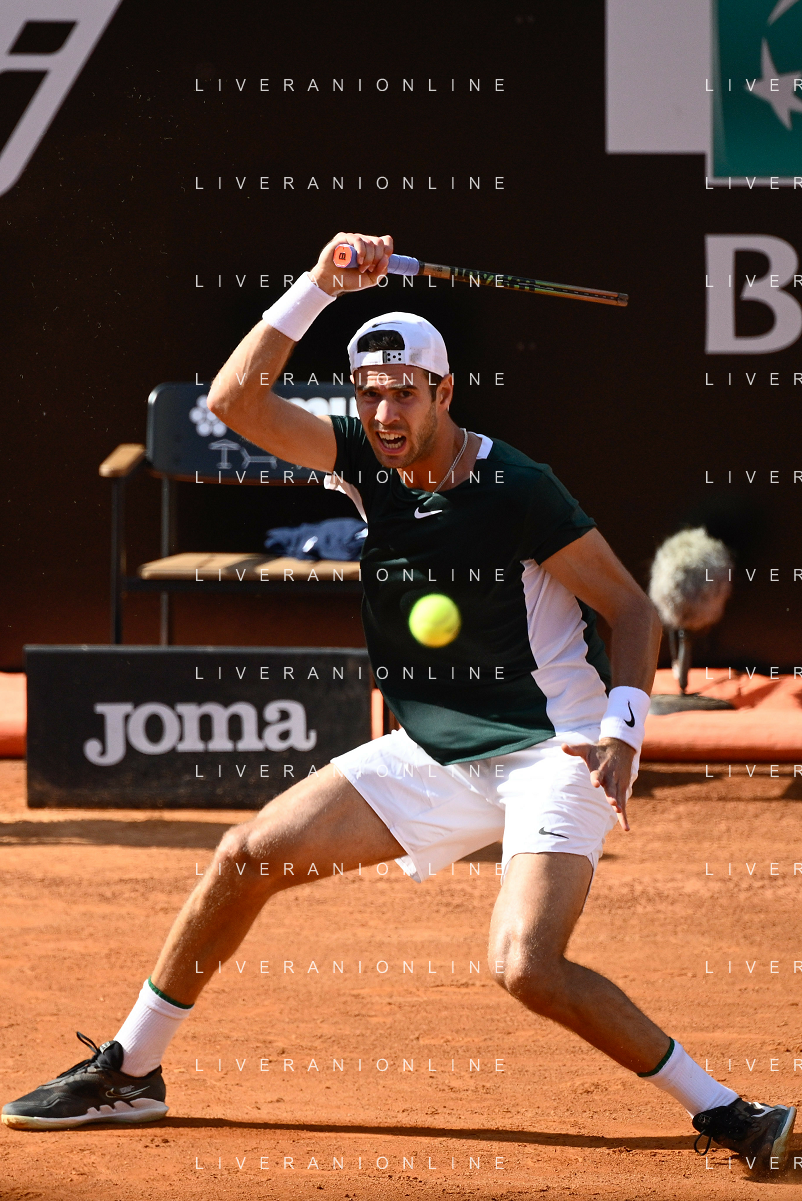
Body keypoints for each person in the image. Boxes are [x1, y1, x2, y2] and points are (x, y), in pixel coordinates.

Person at [3, 233, 795, 1175]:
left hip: (554, 749)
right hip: (432, 751)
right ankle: (132, 1067)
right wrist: (318, 286)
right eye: (369, 393)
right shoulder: (362, 457)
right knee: (246, 854)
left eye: (404, 393)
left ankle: (730, 1111)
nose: (384, 412)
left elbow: (628, 607)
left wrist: (624, 731)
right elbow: (233, 403)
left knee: (525, 964)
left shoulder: (517, 487)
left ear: (443, 391)